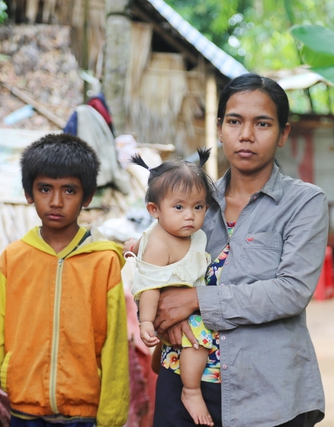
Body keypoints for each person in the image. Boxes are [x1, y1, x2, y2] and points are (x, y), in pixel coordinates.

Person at [152, 73, 328, 427]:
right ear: (219, 128)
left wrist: (194, 300)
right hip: (184, 384)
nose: (246, 135)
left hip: (266, 395)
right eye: (234, 121)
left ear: (283, 134)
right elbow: (156, 264)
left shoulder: (304, 203)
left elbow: (291, 291)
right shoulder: (191, 204)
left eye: (262, 123)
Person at [0, 134, 129, 427]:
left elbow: (115, 348)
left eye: (69, 191)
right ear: (29, 193)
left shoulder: (104, 261)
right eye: (45, 189)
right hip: (25, 412)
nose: (56, 201)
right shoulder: (14, 259)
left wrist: (111, 420)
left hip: (84, 416)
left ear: (87, 197)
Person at [127, 149, 215, 426]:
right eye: (179, 207)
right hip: (170, 309)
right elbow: (149, 287)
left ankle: (164, 360)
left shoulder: (196, 235)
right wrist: (146, 323)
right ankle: (191, 391)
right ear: (154, 210)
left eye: (198, 207)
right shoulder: (159, 244)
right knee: (199, 340)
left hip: (188, 302)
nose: (190, 215)